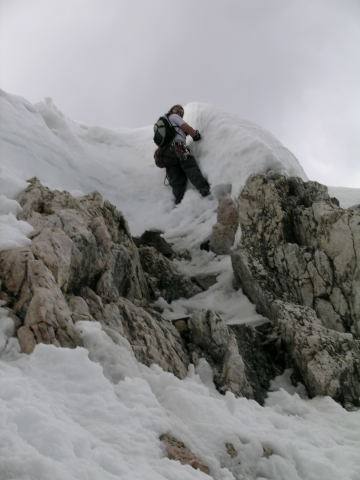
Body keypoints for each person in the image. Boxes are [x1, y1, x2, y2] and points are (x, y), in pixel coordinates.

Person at [154, 104, 210, 204]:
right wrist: (195, 135)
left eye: (181, 111)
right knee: (190, 168)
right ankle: (205, 191)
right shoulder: (175, 117)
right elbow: (186, 127)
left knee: (176, 178)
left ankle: (178, 202)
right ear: (173, 111)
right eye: (179, 110)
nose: (180, 112)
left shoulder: (166, 120)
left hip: (166, 153)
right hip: (179, 146)